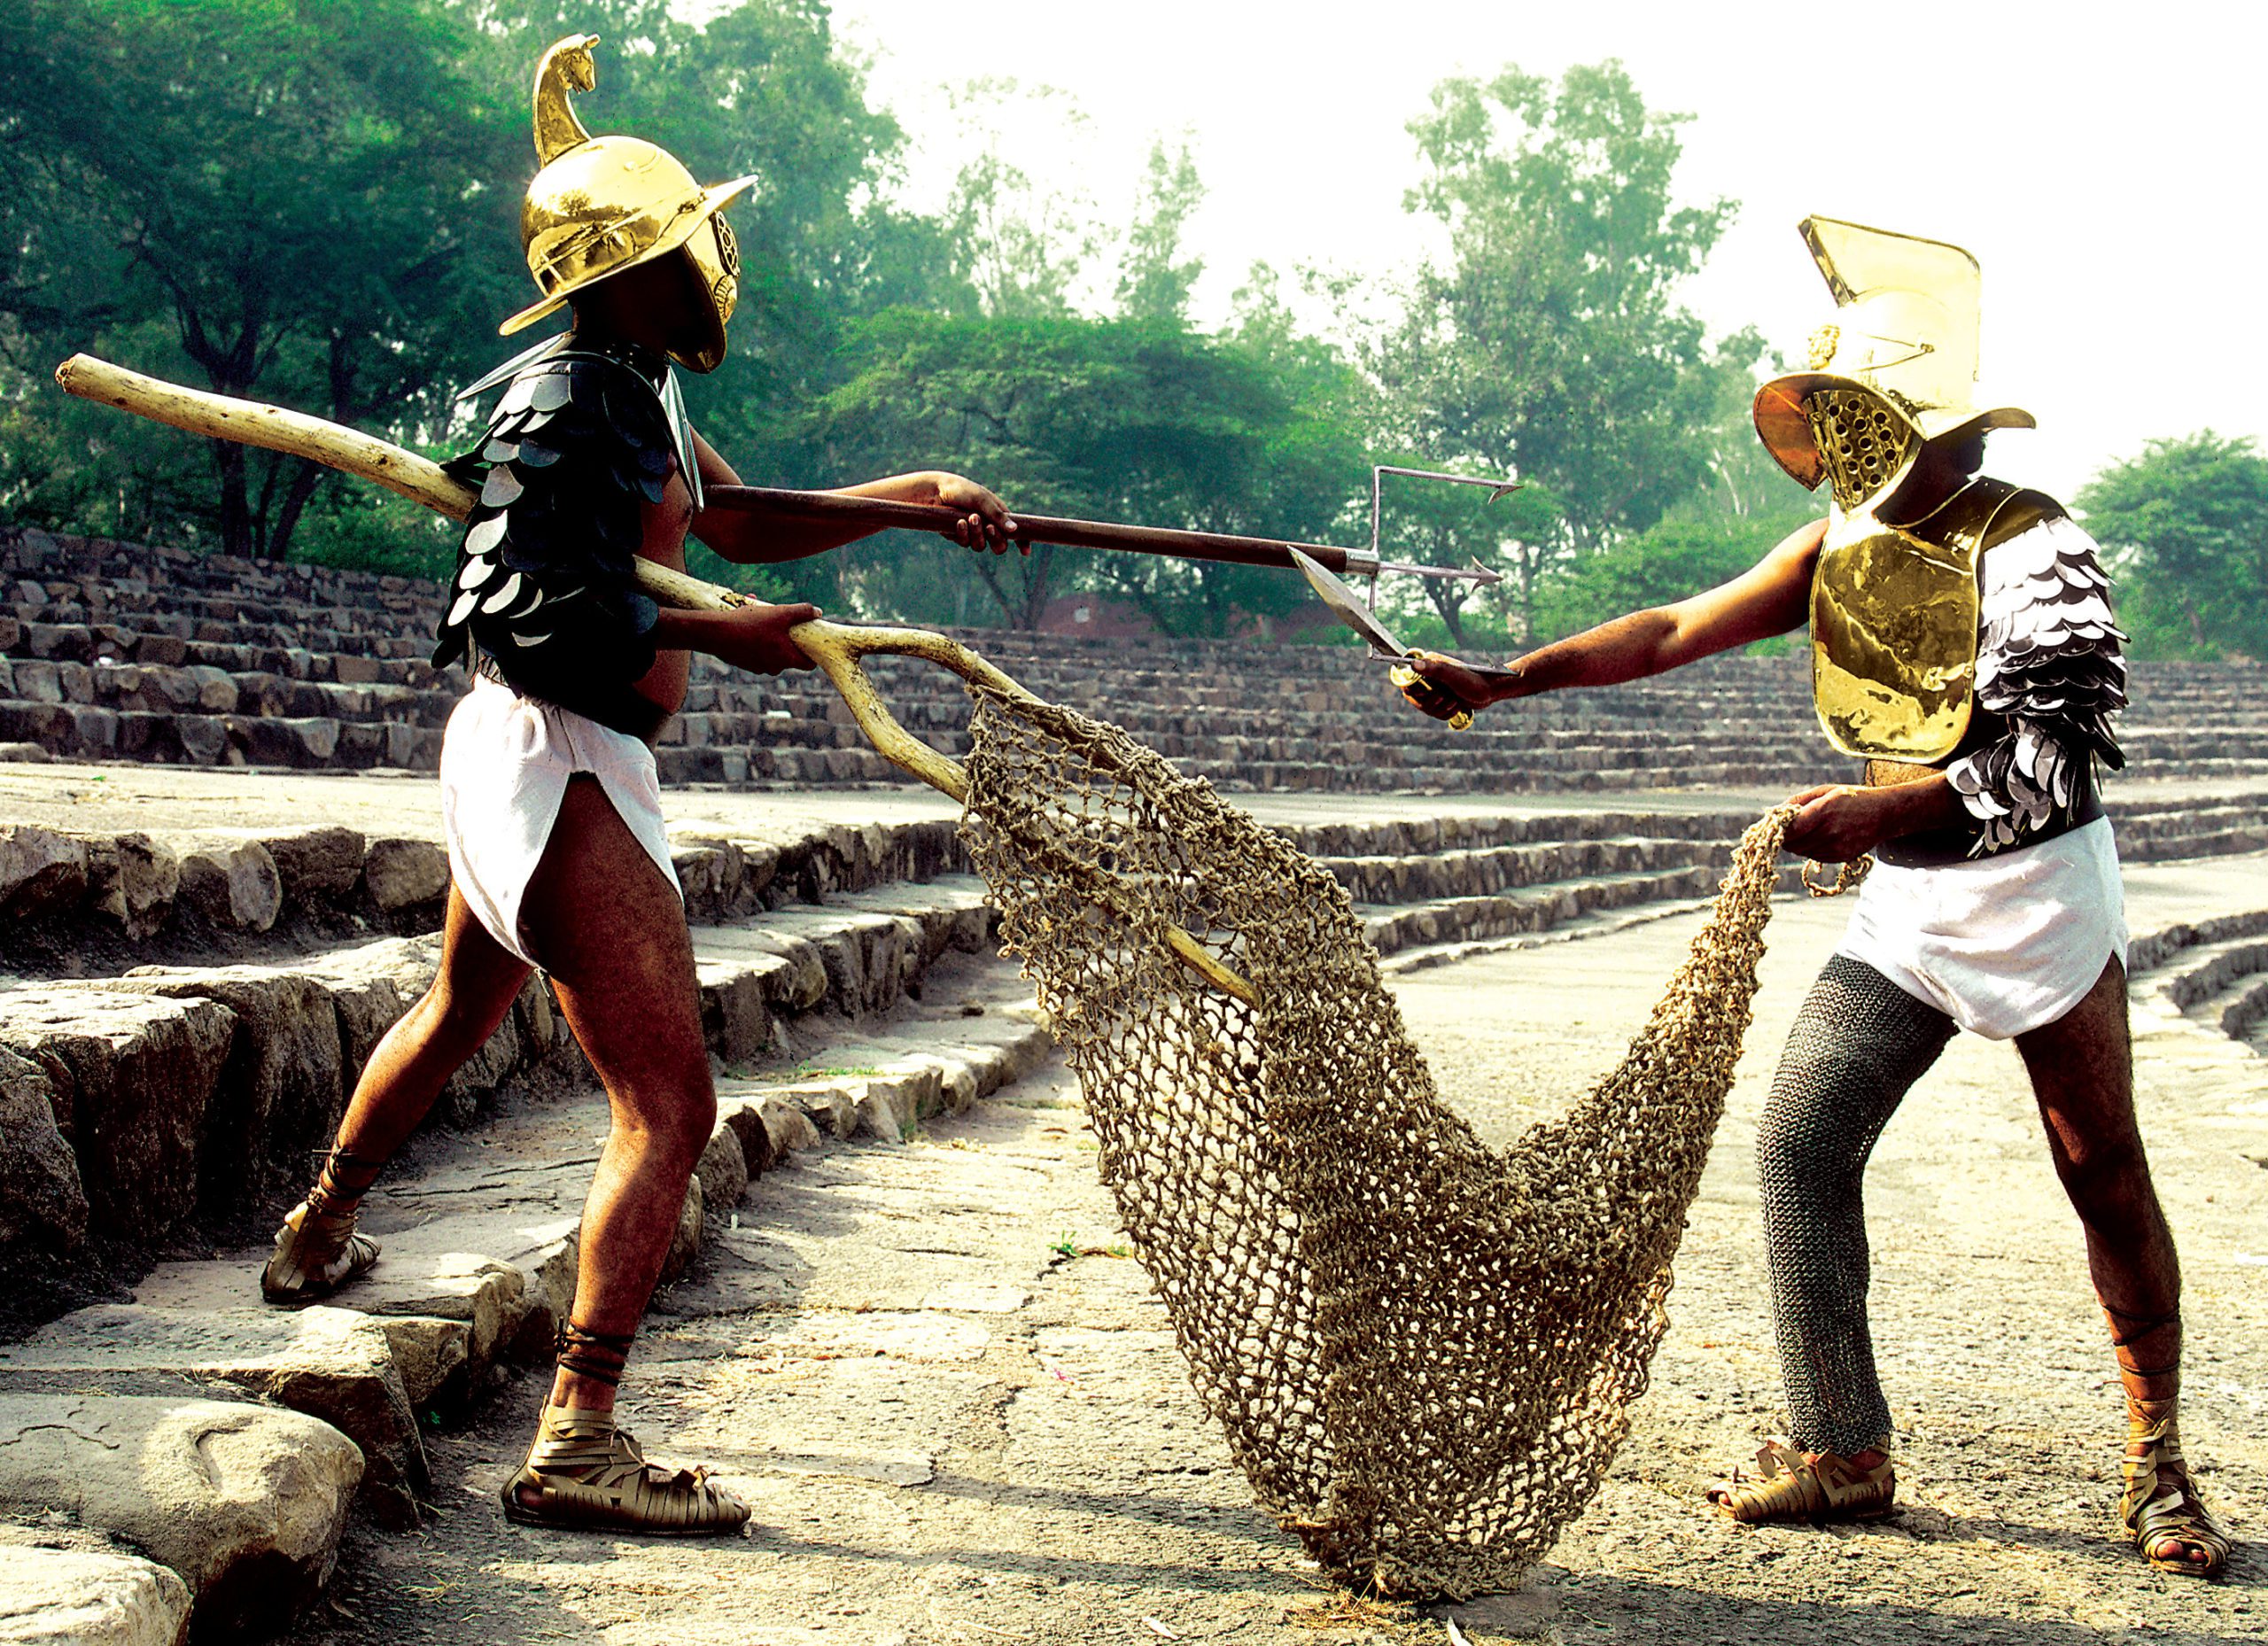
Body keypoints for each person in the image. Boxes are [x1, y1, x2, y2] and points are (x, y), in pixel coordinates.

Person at [258, 35, 1017, 1536]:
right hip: (558, 740)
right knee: (670, 1102)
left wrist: (910, 500)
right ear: (631, 265)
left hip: (540, 748)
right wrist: (722, 638)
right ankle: (578, 1435)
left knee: (461, 1006)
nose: (716, 256)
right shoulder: (573, 394)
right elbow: (533, 596)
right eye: (690, 236)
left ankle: (315, 1229)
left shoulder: (634, 388)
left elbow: (722, 521)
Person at [1396, 216, 2230, 1577]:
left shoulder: (2032, 545)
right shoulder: (1839, 542)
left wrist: (1874, 808)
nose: (1862, 452)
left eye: (1883, 422)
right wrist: (1508, 676)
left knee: (2103, 1175)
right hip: (1907, 908)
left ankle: (2160, 1461)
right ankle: (1843, 1445)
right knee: (1800, 1140)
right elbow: (1672, 627)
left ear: (1950, 431)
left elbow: (2041, 757)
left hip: (2033, 894)